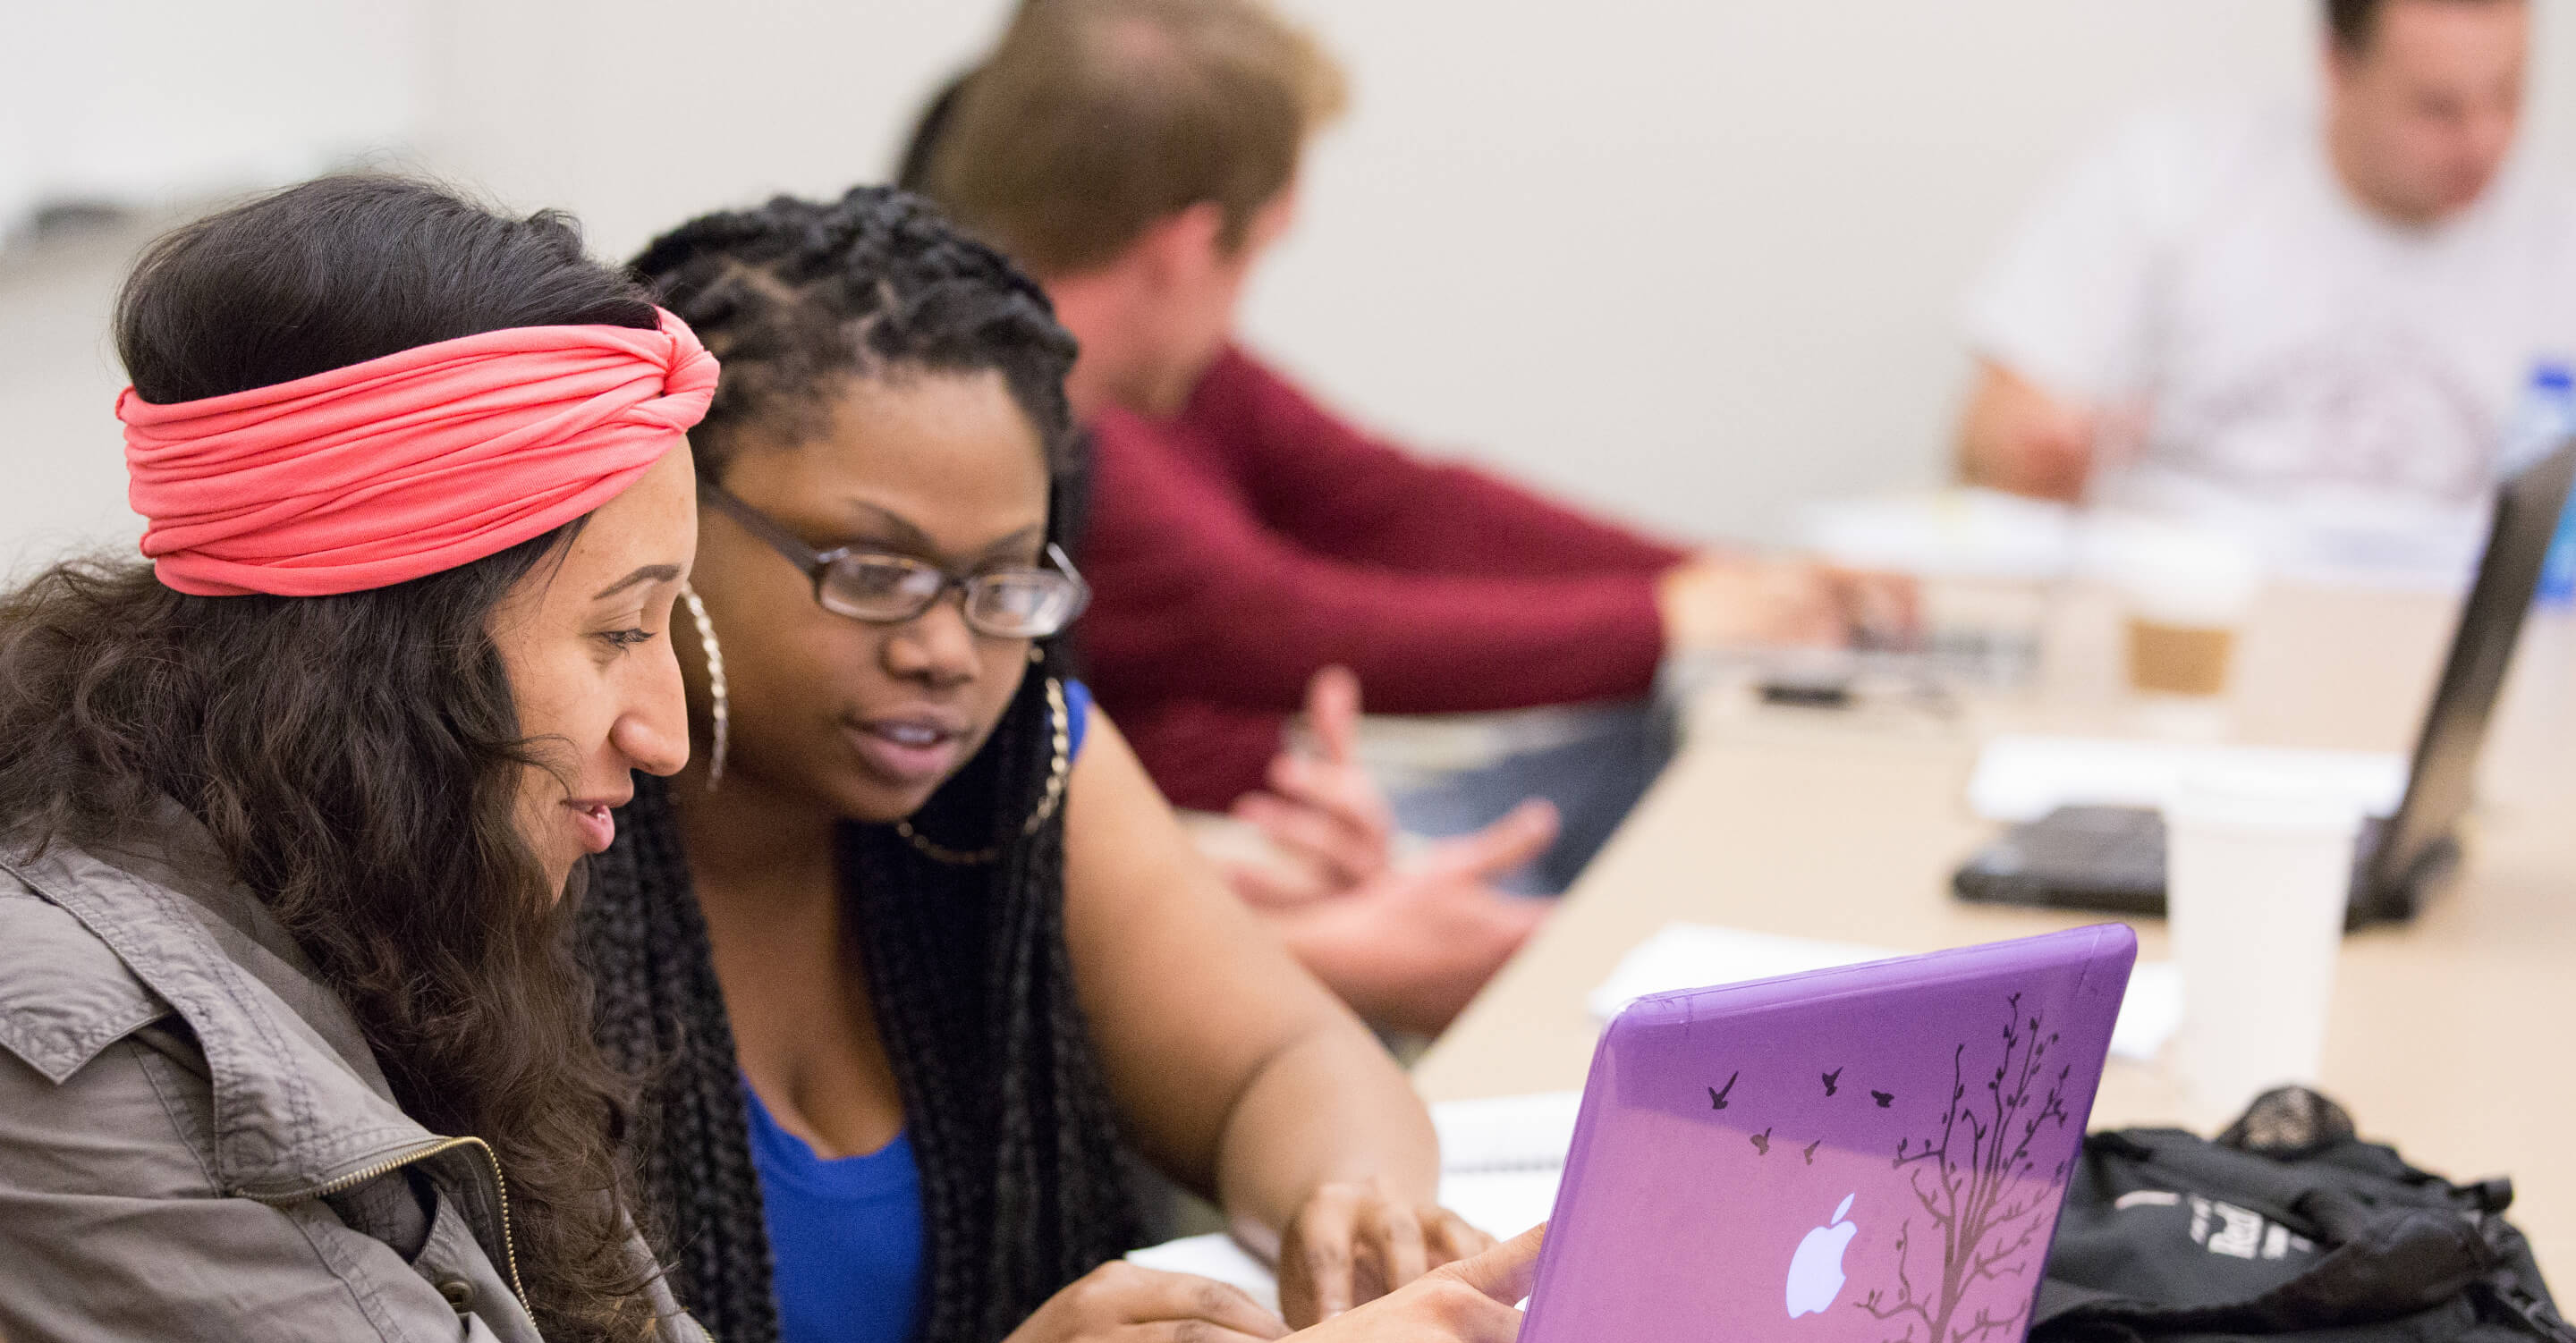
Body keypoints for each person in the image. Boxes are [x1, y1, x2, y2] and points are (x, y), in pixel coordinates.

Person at [0, 173, 1538, 1343]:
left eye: (999, 580)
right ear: (376, 651)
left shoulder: (390, 876)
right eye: (619, 629)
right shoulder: (86, 1040)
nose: (658, 727)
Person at [582, 185, 1495, 1343]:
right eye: (877, 573)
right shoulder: (537, 824)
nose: (948, 652)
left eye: (1004, 582)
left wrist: (1349, 1202)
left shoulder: (1019, 760)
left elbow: (1285, 1058)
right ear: (667, 515)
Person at [904, 0, 1911, 895]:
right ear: (1183, 247)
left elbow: (1397, 502)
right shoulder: (1045, 448)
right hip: (1197, 882)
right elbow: (1289, 621)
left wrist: (1716, 581)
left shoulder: (1148, 383)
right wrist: (1662, 618)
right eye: (1261, 248)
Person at [1956, 0, 2574, 553]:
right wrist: (2036, 457)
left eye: (2508, 94)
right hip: (2189, 621)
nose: (2483, 141)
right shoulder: (2172, 177)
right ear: (2337, 65)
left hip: (2452, 636)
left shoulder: (2558, 237)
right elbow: (1994, 434)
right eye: (2437, 108)